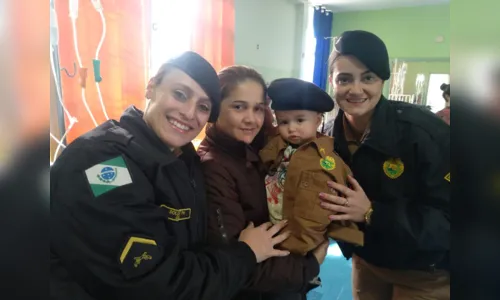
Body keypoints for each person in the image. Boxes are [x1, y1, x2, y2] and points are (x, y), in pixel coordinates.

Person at [50, 51, 292, 300]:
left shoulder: (184, 159)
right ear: (151, 87)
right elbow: (155, 285)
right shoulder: (100, 162)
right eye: (180, 94)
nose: (189, 113)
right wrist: (246, 254)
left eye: (203, 107)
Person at [319, 30, 450, 299]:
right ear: (332, 81)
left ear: (382, 80)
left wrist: (371, 212)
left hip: (424, 271)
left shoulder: (424, 134)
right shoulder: (328, 135)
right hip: (367, 261)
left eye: (368, 77)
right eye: (344, 79)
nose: (356, 90)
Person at [197, 66, 328, 300]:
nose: (251, 119)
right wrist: (308, 266)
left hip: (285, 278)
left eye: (258, 108)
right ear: (215, 108)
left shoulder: (263, 146)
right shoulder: (213, 167)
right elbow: (235, 262)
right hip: (260, 290)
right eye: (238, 107)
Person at [259, 78, 364, 256]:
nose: (291, 128)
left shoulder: (328, 157)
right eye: (284, 122)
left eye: (300, 120)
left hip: (305, 236)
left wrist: (348, 231)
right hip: (273, 226)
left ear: (317, 120)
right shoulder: (275, 146)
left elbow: (344, 187)